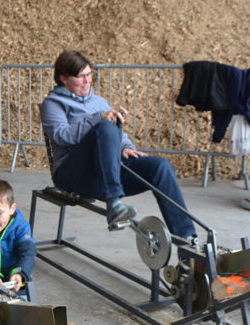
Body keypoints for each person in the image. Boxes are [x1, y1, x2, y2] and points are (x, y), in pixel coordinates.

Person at [39, 50, 197, 237]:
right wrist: (98, 118)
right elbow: (61, 136)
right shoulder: (53, 103)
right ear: (64, 78)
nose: (87, 81)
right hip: (73, 174)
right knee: (104, 127)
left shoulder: (99, 102)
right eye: (81, 76)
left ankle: (187, 238)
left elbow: (115, 133)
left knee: (159, 167)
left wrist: (126, 147)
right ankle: (114, 203)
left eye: (89, 74)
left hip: (105, 173)